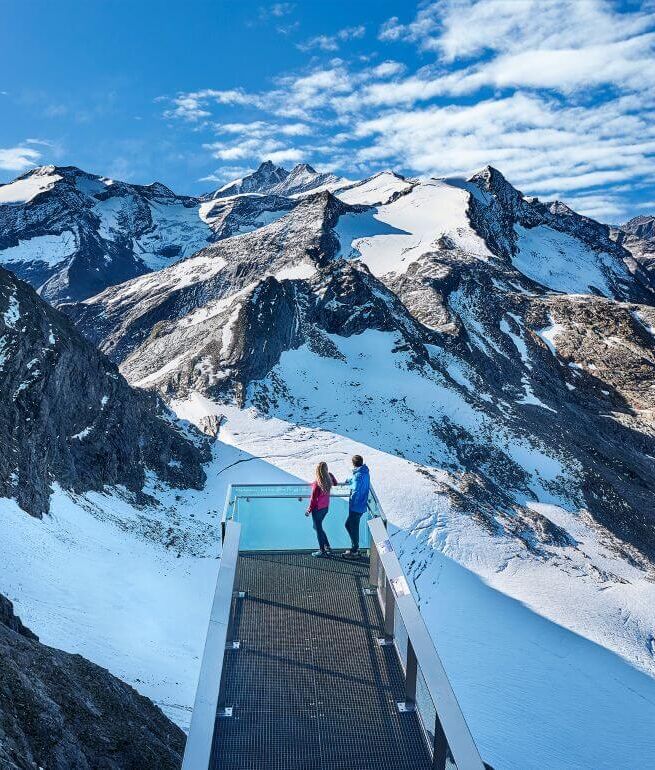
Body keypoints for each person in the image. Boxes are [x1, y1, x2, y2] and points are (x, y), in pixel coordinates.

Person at [305, 462, 337, 557]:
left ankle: (322, 550)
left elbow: (313, 500)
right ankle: (327, 547)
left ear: (317, 471)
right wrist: (330, 474)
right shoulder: (329, 478)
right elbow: (335, 483)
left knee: (318, 529)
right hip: (325, 508)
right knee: (317, 527)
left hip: (317, 509)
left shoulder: (317, 484)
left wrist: (309, 510)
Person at [344, 455, 370, 557]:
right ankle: (355, 547)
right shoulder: (364, 472)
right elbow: (357, 483)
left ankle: (355, 549)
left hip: (356, 506)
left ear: (354, 464)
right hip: (362, 505)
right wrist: (351, 480)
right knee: (351, 526)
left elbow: (355, 490)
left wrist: (352, 503)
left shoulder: (358, 475)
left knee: (351, 526)